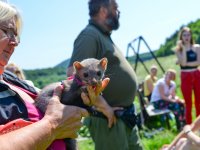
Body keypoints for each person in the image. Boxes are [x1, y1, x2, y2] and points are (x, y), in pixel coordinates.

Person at [0, 1, 109, 149]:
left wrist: (82, 101)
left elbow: (58, 102)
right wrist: (52, 125)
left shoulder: (12, 80)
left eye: (16, 35)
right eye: (7, 31)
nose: (15, 42)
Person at [67, 0, 143, 150]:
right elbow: (73, 75)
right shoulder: (89, 35)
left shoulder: (103, 35)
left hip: (124, 118)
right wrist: (105, 107)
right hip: (108, 119)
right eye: (115, 7)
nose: (118, 12)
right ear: (103, 10)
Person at [175, 27, 200, 124]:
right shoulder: (179, 50)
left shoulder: (197, 47)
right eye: (184, 35)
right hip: (185, 76)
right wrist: (184, 49)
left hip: (197, 75)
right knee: (188, 103)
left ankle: (198, 126)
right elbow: (184, 63)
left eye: (188, 35)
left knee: (199, 101)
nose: (187, 37)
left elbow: (198, 62)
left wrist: (180, 62)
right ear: (181, 37)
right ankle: (189, 125)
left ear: (191, 36)